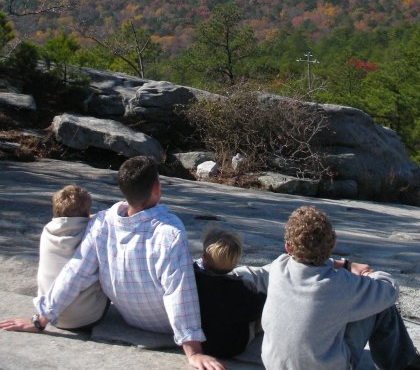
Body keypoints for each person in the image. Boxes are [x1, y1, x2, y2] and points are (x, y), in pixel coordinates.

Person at [0, 156, 225, 370]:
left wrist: (40, 320)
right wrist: (193, 351)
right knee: (234, 280)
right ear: (157, 188)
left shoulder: (103, 223)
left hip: (132, 317)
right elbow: (179, 292)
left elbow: (76, 272)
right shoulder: (169, 231)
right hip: (164, 322)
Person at [261, 205, 420, 370]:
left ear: (288, 247)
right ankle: (403, 363)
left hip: (274, 365)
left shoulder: (278, 268)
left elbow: (305, 261)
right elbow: (390, 290)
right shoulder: (340, 284)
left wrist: (344, 264)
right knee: (381, 308)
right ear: (333, 243)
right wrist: (366, 274)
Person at [37, 184, 108, 330]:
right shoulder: (92, 234)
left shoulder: (47, 231)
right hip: (85, 318)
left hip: (47, 312)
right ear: (87, 210)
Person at [193, 227, 266, 358]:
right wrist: (255, 294)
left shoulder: (193, 280)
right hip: (233, 346)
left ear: (204, 258)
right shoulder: (239, 290)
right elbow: (259, 307)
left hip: (199, 343)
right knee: (259, 313)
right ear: (234, 263)